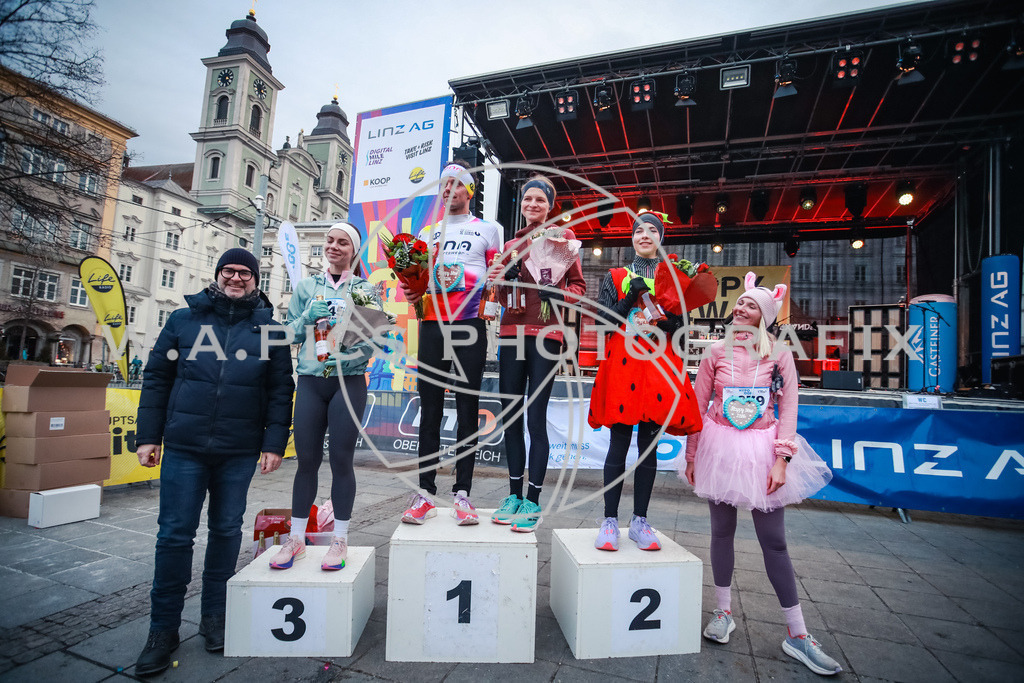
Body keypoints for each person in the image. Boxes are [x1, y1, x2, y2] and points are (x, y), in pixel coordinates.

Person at [133, 248, 294, 676]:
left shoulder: (270, 330)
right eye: (229, 270)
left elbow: (281, 390)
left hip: (238, 450)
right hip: (184, 446)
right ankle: (162, 630)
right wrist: (148, 436)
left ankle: (215, 616)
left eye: (244, 272)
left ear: (256, 280)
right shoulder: (183, 320)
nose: (236, 278)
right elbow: (156, 377)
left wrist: (275, 443)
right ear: (217, 274)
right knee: (174, 536)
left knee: (225, 531)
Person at [683, 272, 840, 676]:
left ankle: (799, 634)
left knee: (775, 542)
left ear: (766, 316)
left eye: (751, 305)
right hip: (719, 448)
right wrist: (692, 454)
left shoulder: (779, 354)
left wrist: (782, 458)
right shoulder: (715, 351)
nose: (740, 308)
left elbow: (788, 409)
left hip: (762, 450)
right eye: (740, 303)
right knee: (720, 532)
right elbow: (698, 406)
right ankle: (722, 612)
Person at [270, 223, 386, 571]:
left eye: (342, 242)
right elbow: (286, 335)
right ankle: (296, 539)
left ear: (354, 250)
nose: (334, 247)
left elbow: (376, 341)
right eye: (330, 241)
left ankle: (340, 540)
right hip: (310, 381)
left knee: (340, 460)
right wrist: (308, 317)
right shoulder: (307, 286)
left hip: (347, 383)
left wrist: (351, 352)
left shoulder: (365, 289)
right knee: (306, 461)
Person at [588, 212, 703, 551]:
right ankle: (609, 521)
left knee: (648, 446)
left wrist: (671, 324)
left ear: (661, 238)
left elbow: (683, 327)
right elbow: (603, 321)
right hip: (624, 363)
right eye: (639, 230)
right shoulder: (616, 274)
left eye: (653, 229)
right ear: (632, 238)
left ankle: (640, 521)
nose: (645, 234)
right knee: (619, 441)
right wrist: (627, 298)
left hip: (658, 364)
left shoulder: (674, 277)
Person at [399, 161, 502, 525]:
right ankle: (425, 493)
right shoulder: (428, 233)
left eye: (456, 185)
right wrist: (412, 293)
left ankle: (463, 493)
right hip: (433, 325)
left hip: (470, 325)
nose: (448, 190)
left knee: (467, 409)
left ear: (469, 192)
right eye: (443, 184)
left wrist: (492, 308)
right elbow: (416, 283)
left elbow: (496, 281)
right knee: (428, 409)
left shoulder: (489, 229)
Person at [489, 175, 585, 531]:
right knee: (511, 417)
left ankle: (533, 501)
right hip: (511, 332)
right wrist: (504, 282)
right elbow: (497, 297)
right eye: (528, 199)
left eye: (540, 201)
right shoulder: (511, 244)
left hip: (547, 334)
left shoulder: (562, 238)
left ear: (550, 205)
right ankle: (514, 495)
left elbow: (577, 285)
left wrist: (559, 296)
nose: (532, 205)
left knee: (535, 418)